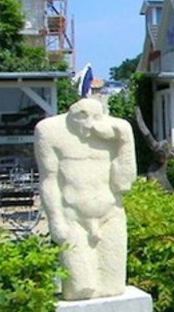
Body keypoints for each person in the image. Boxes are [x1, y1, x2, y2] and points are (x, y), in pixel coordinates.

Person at [35, 97, 137, 300]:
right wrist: (55, 220)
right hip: (73, 218)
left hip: (111, 216)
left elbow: (124, 184)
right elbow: (49, 180)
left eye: (95, 117)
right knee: (80, 289)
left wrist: (125, 140)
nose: (89, 124)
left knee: (113, 287)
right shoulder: (49, 131)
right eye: (82, 117)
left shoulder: (116, 131)